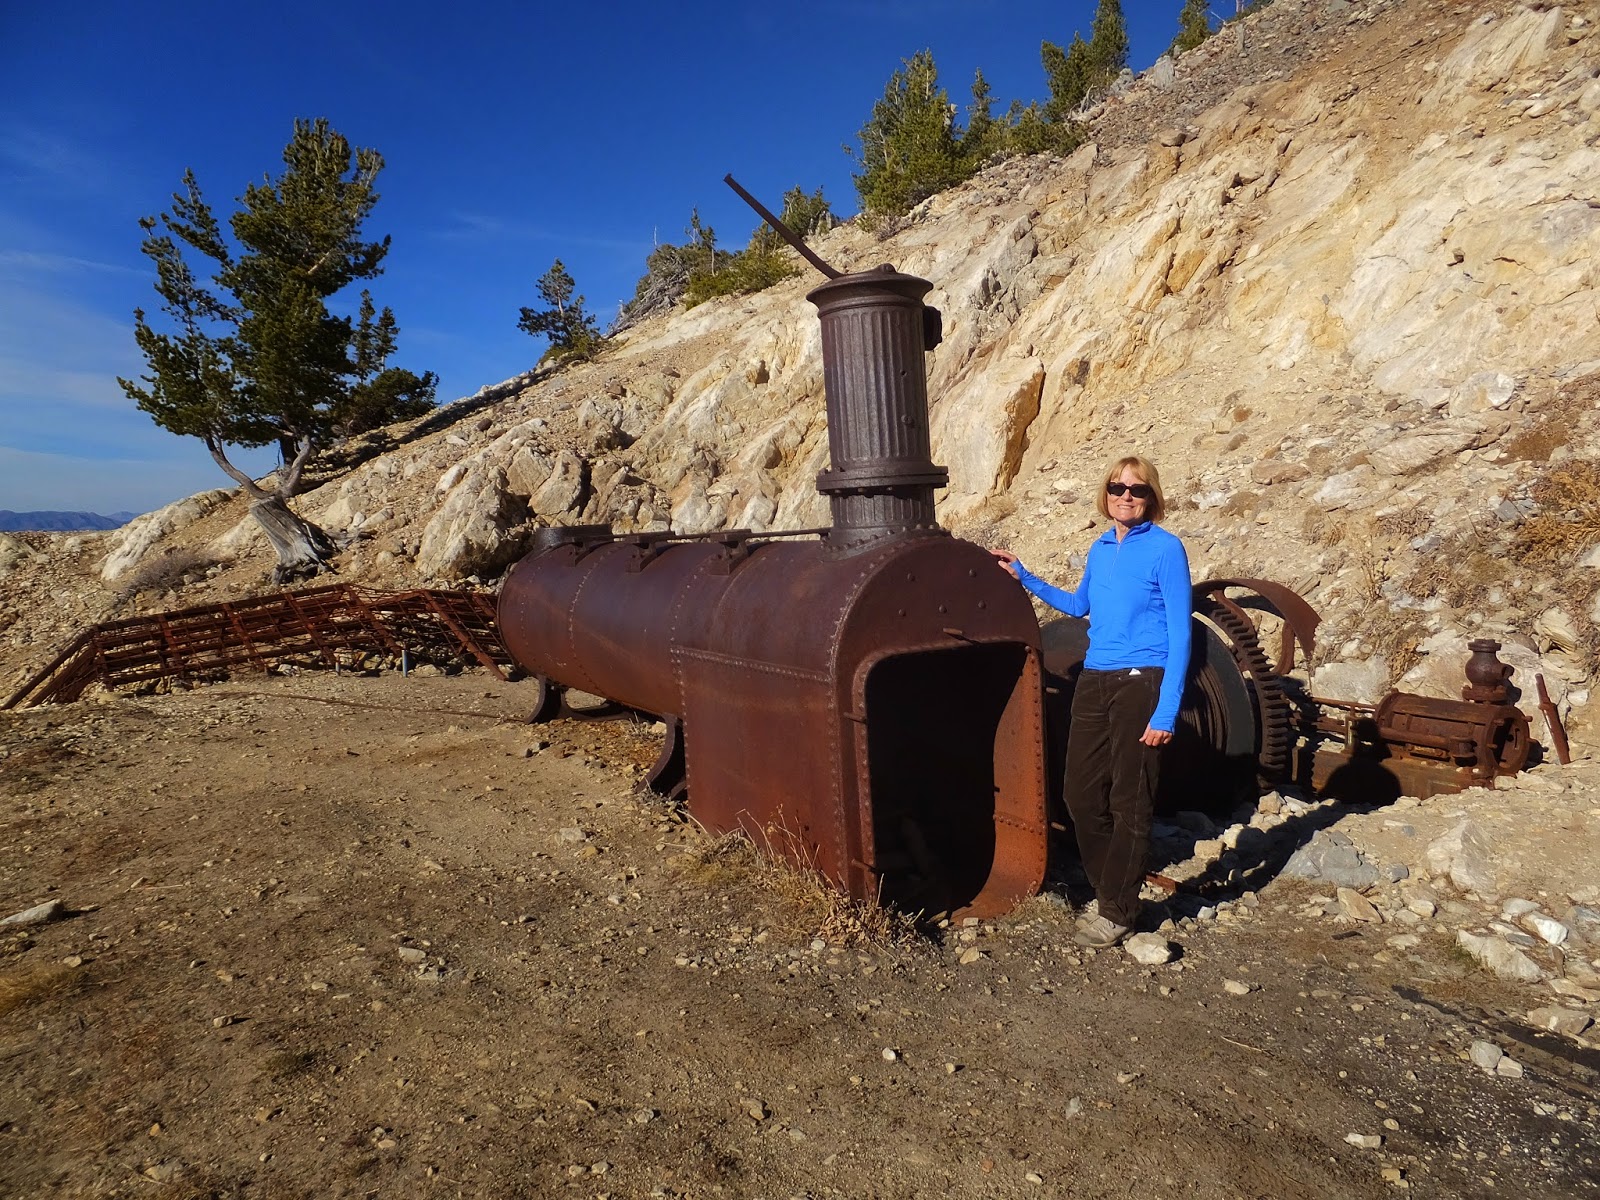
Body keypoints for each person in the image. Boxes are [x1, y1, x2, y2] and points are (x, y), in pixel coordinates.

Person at [992, 455, 1191, 948]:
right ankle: (1114, 889)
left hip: (1142, 680)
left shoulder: (1167, 550)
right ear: (1105, 495)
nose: (1126, 495)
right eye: (1117, 487)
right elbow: (1081, 606)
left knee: (1130, 798)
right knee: (1080, 795)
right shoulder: (1100, 547)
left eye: (1137, 489)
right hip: (1095, 678)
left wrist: (1167, 709)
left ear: (1152, 498)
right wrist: (1026, 577)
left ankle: (1118, 909)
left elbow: (1182, 631)